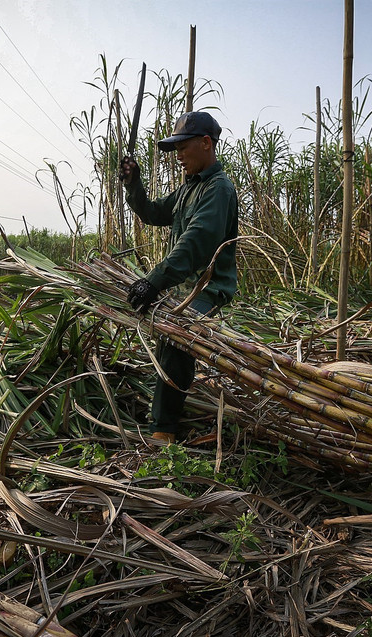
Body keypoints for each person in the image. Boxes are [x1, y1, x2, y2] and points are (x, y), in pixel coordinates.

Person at [119, 111, 239, 444]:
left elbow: (195, 243)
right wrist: (134, 183)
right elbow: (155, 213)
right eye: (175, 149)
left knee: (177, 337)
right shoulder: (190, 188)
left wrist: (154, 280)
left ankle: (165, 430)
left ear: (205, 143)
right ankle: (167, 407)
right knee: (168, 337)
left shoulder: (219, 189)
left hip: (207, 286)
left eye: (183, 147)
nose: (179, 156)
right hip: (185, 285)